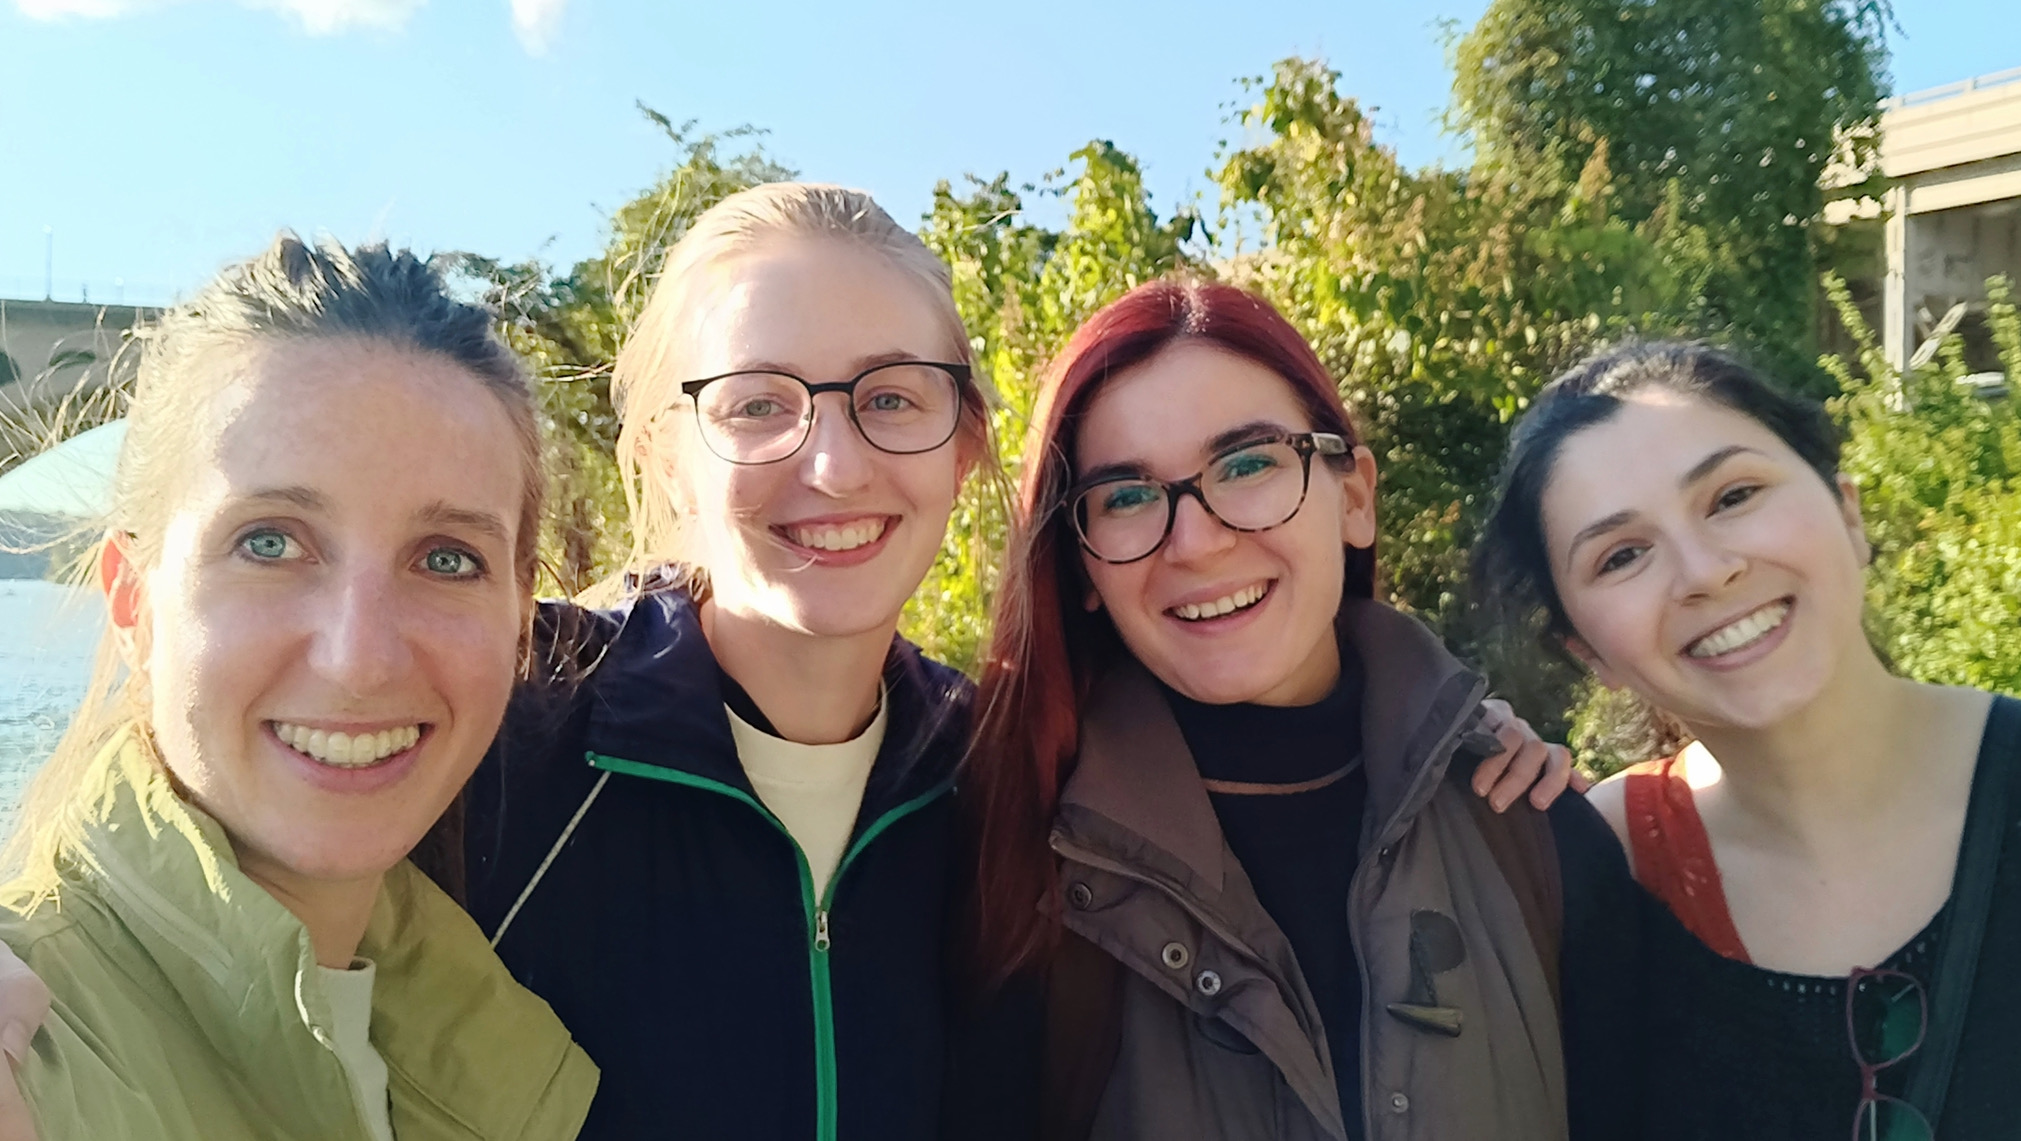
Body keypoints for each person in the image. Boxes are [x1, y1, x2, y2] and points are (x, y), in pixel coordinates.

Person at [952, 279, 1639, 1141]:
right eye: (1125, 497)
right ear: (1081, 568)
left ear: (1353, 498)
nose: (1194, 540)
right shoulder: (1006, 864)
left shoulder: (1530, 828)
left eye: (1246, 465)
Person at [0, 235, 597, 1139]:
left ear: (520, 623)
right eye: (270, 542)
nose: (359, 659)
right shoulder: (34, 1059)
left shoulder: (493, 1042)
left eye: (446, 559)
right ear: (133, 600)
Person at [1470, 340, 2021, 1140]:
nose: (1703, 570)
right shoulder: (1598, 869)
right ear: (1587, 654)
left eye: (1732, 496)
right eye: (1622, 554)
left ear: (1848, 511)